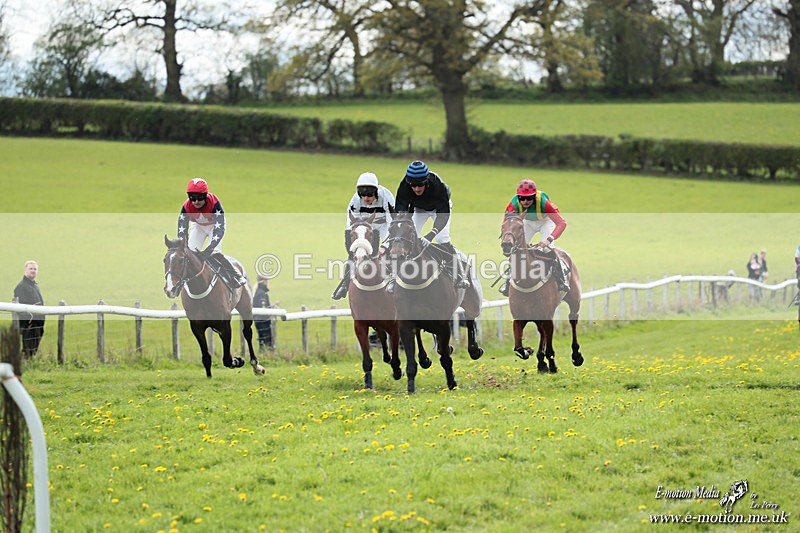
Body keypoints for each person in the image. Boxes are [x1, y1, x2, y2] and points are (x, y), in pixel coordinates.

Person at [393, 160, 469, 289]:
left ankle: (460, 274)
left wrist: (430, 235)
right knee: (409, 236)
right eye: (413, 185)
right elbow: (401, 211)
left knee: (442, 238)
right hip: (419, 208)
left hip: (439, 209)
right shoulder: (404, 186)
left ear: (426, 181)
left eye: (420, 185)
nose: (417, 189)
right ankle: (396, 274)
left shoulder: (438, 186)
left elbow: (443, 215)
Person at [499, 178, 569, 296]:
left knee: (547, 249)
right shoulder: (513, 203)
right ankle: (507, 282)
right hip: (527, 222)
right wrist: (507, 237)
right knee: (515, 249)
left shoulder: (543, 203)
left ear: (534, 196)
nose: (525, 201)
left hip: (546, 221)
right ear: (518, 197)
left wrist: (549, 239)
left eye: (529, 198)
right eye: (522, 198)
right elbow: (505, 223)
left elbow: (562, 223)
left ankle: (561, 279)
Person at [332, 172, 396, 300]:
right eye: (362, 194)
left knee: (392, 251)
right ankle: (344, 285)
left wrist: (385, 246)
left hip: (385, 225)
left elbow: (392, 224)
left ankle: (396, 280)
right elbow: (351, 228)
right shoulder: (355, 201)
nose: (366, 198)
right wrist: (353, 248)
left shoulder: (387, 197)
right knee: (354, 254)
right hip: (365, 226)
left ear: (376, 192)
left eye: (370, 194)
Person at [177, 178, 245, 288]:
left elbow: (219, 229)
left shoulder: (214, 203)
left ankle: (236, 276)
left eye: (199, 198)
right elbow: (182, 228)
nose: (196, 202)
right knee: (189, 254)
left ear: (205, 195)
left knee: (214, 253)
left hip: (215, 226)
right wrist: (182, 245)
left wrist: (209, 249)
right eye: (192, 198)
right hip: (198, 226)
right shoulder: (186, 206)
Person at [13, 260, 45, 357]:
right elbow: (21, 308)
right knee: (28, 351)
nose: (33, 271)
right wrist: (29, 324)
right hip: (30, 325)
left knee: (33, 351)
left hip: (38, 323)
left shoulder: (35, 286)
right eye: (30, 268)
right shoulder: (21, 286)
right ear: (25, 270)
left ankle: (28, 362)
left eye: (35, 269)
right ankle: (24, 363)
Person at [252, 275, 274, 350]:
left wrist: (272, 306)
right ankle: (266, 354)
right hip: (263, 321)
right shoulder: (262, 293)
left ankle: (263, 353)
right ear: (263, 281)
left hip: (258, 320)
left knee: (262, 341)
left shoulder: (257, 291)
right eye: (266, 280)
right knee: (266, 342)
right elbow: (263, 308)